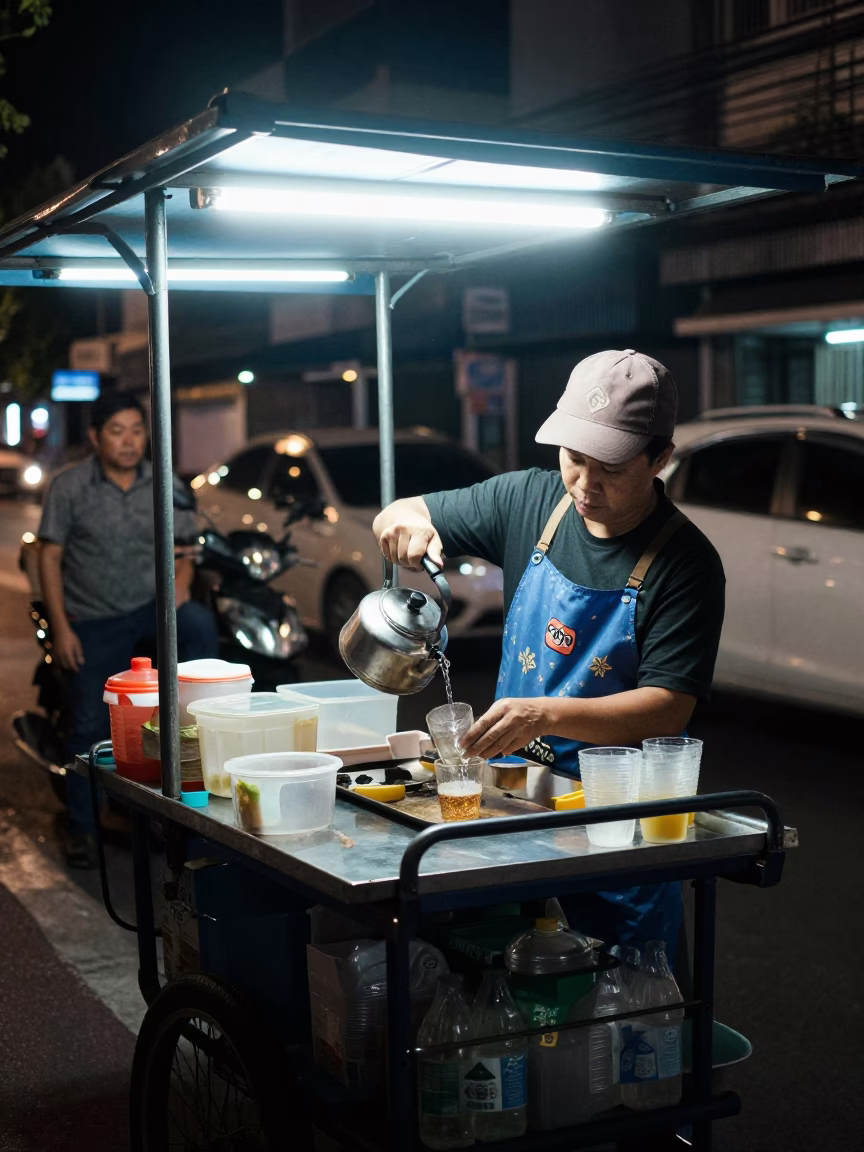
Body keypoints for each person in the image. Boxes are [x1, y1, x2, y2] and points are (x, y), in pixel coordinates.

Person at [373, 349, 725, 952]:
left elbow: (667, 709)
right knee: (500, 993)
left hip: (615, 819)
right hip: (515, 798)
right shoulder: (528, 502)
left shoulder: (687, 564)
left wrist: (545, 713)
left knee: (623, 1012)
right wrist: (405, 524)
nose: (586, 485)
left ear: (659, 458)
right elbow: (404, 511)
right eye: (573, 458)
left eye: (610, 468)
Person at [38, 391, 219, 868]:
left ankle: (187, 803)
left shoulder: (166, 485)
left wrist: (179, 590)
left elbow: (185, 549)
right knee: (90, 724)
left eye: (137, 430)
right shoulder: (70, 486)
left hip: (150, 610)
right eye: (117, 431)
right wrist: (62, 629)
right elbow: (49, 556)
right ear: (96, 437)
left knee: (199, 626)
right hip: (93, 617)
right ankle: (84, 826)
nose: (129, 441)